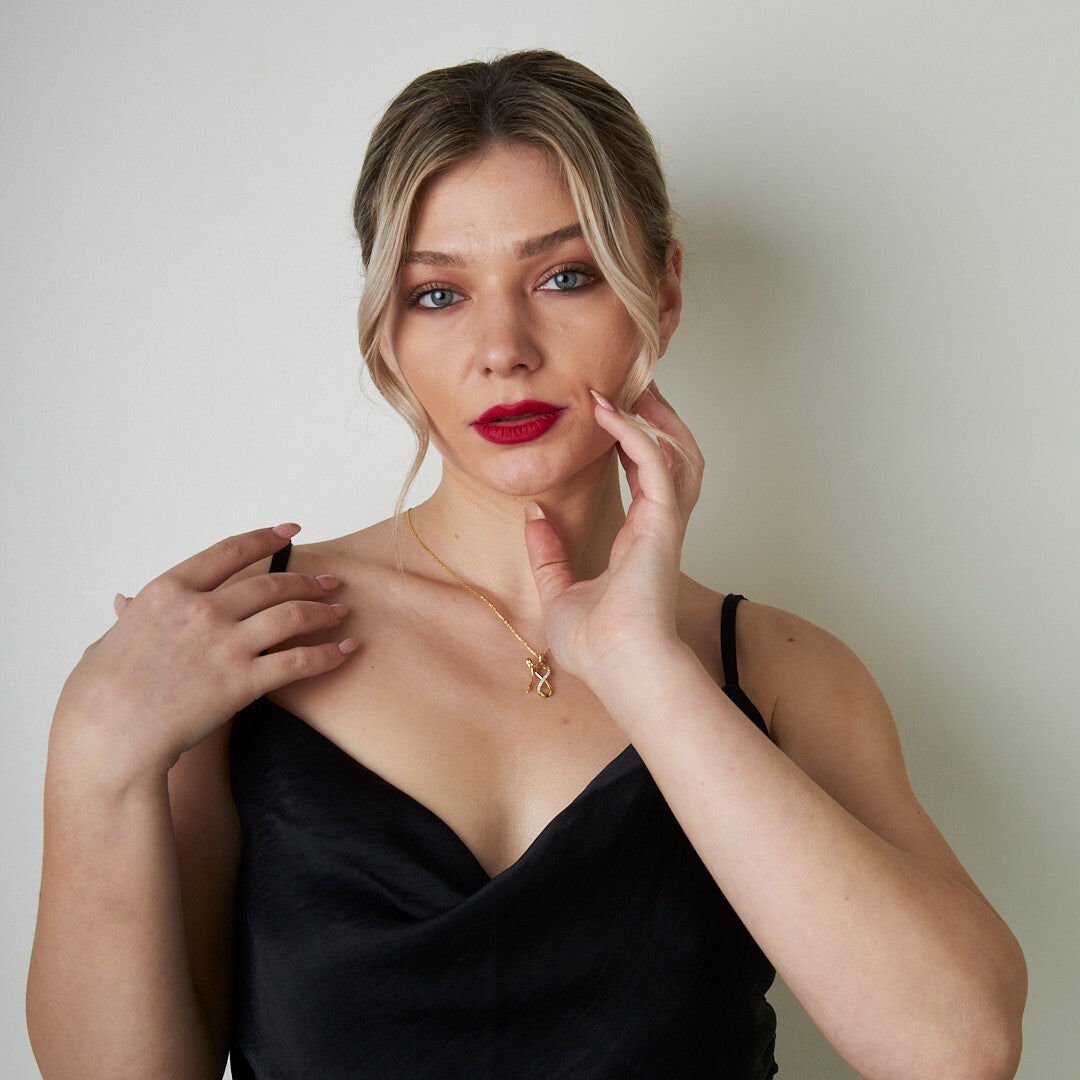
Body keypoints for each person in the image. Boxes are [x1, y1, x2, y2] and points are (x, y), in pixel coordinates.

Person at [27, 48, 1026, 1080]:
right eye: (437, 294)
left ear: (662, 295)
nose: (502, 347)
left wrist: (644, 665)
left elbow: (957, 1051)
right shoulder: (236, 646)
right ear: (385, 335)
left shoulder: (781, 672)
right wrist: (94, 757)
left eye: (564, 277)